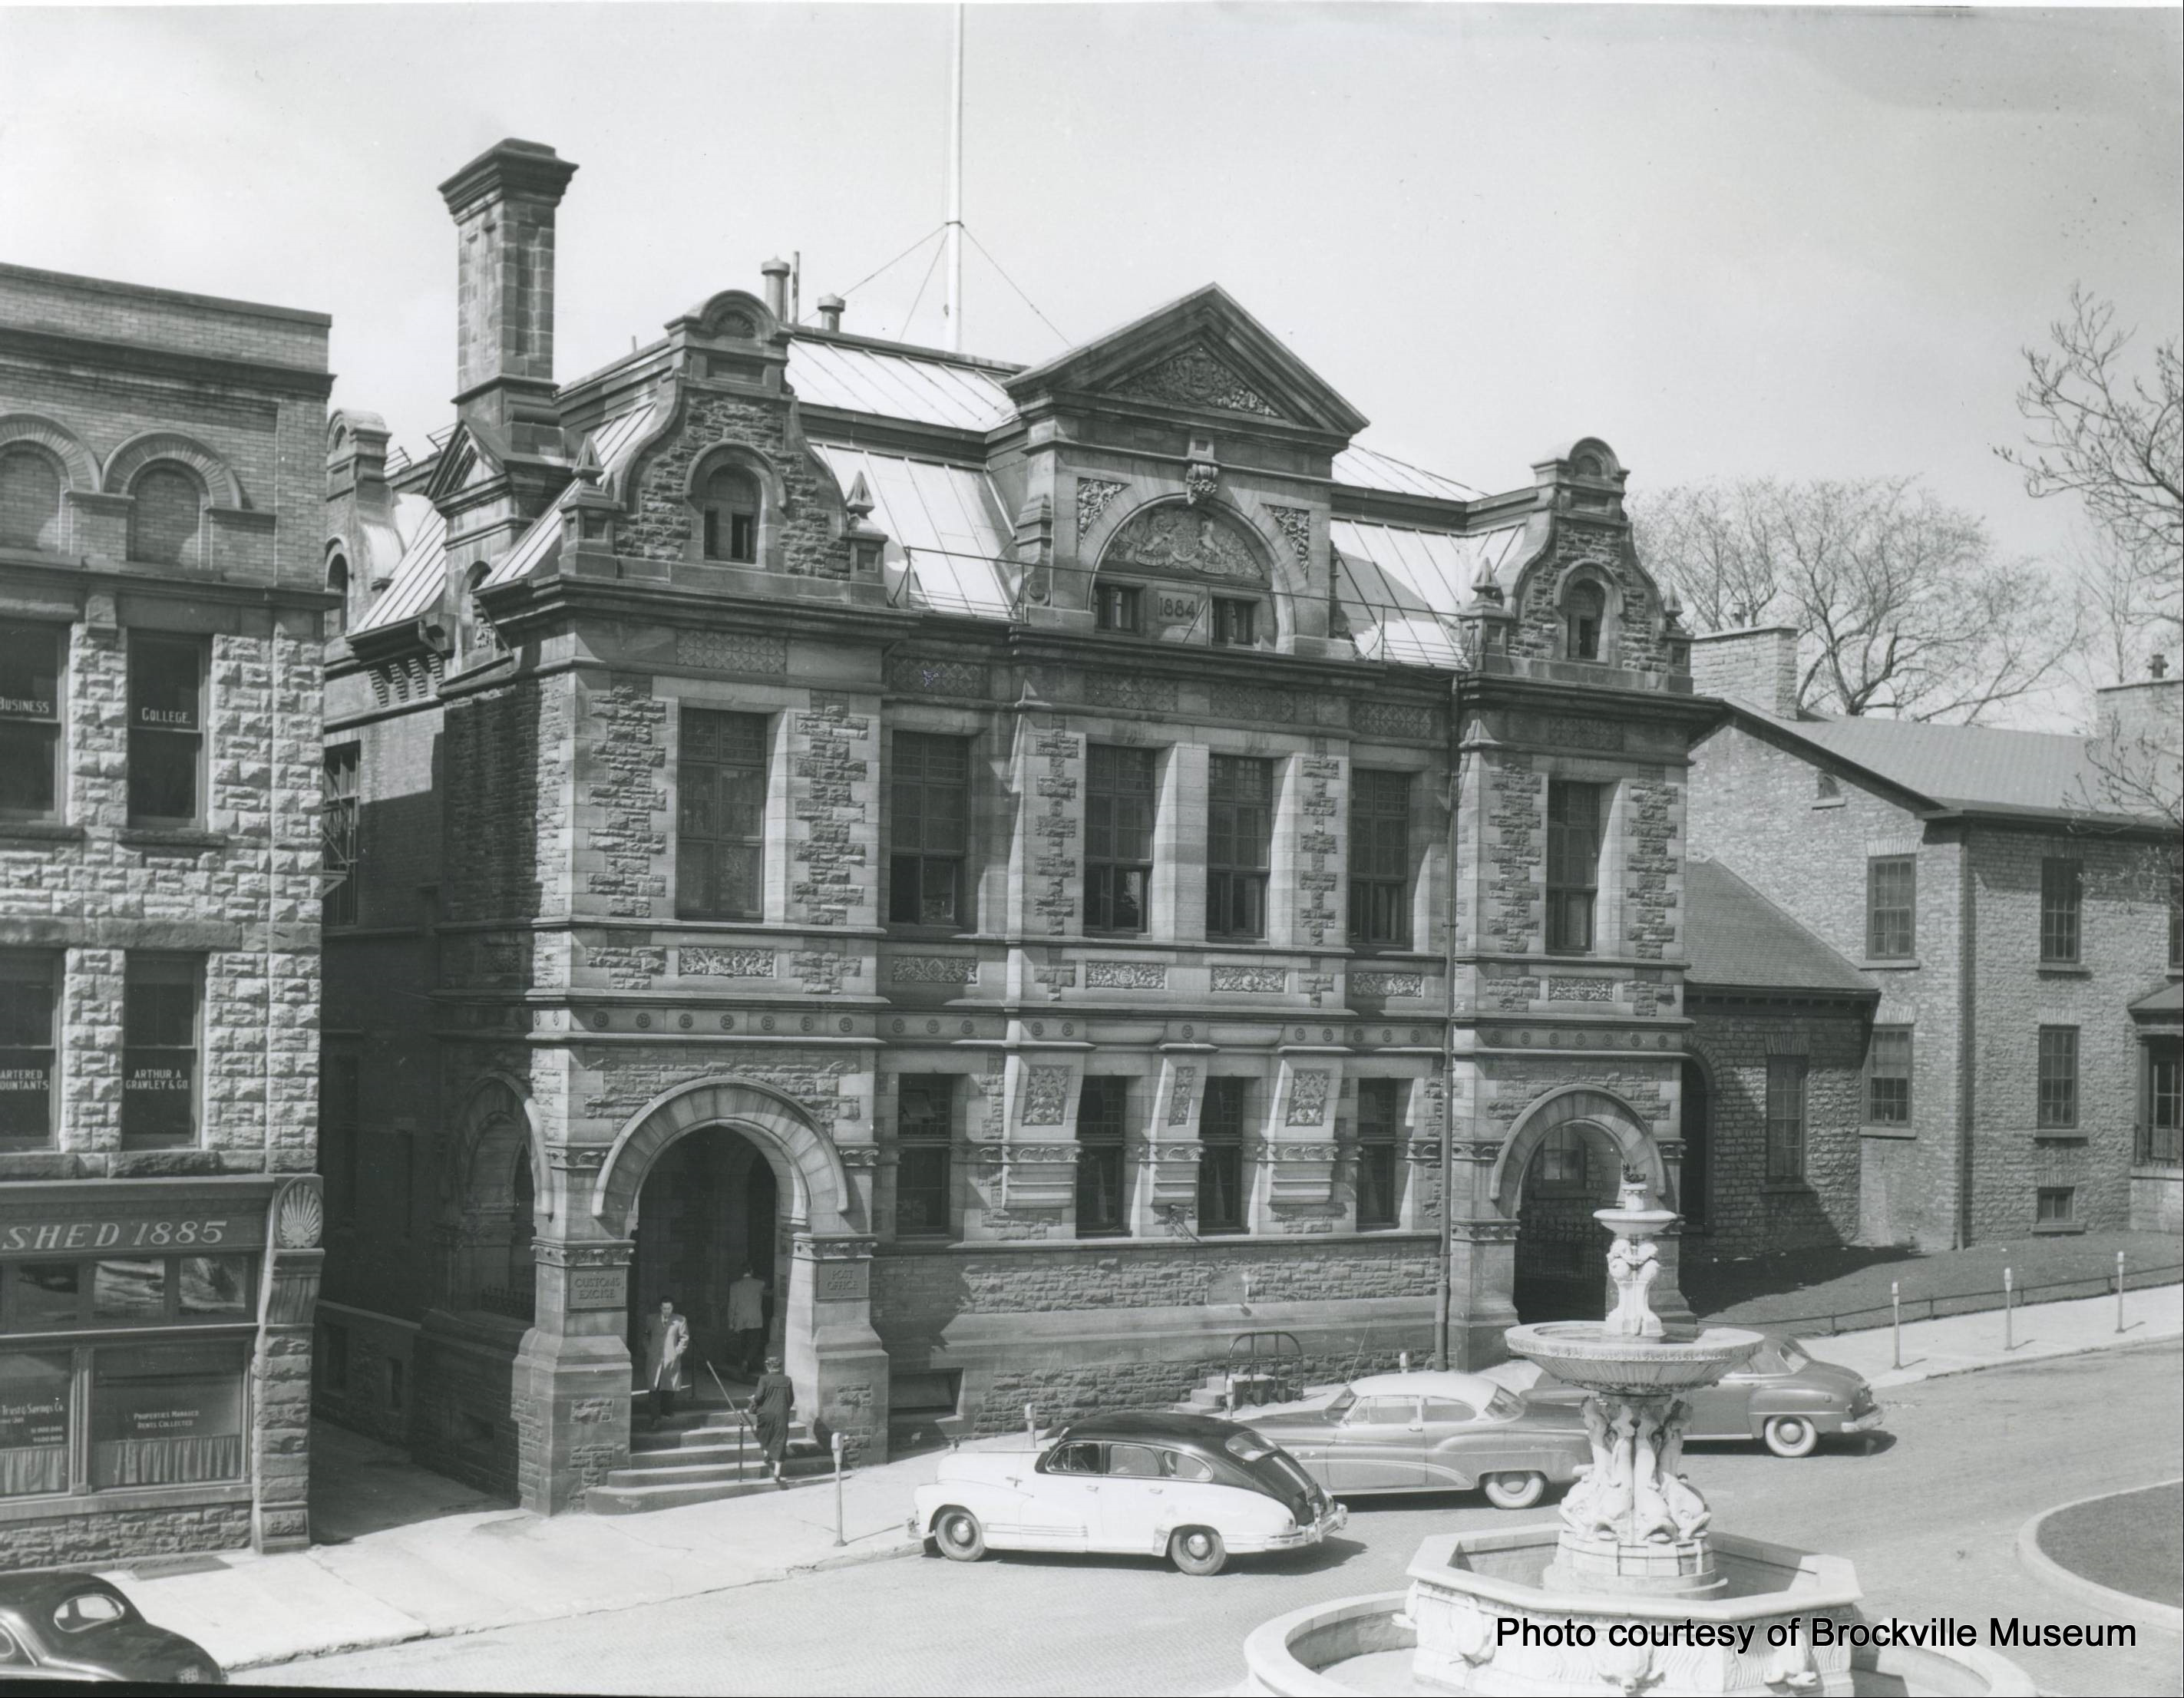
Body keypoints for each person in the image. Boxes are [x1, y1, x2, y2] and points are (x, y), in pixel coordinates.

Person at [643, 1298, 689, 1425]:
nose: (667, 1311)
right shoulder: (651, 1319)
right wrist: (649, 1349)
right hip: (655, 1359)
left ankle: (666, 1411)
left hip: (670, 1359)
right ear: (660, 1308)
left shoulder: (680, 1320)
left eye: (669, 1308)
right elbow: (646, 1335)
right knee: (654, 1388)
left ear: (672, 1308)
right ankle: (655, 1418)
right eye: (664, 1308)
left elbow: (684, 1338)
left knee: (668, 1388)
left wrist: (677, 1352)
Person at [750, 1355, 794, 1488]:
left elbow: (758, 1398)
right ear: (779, 1367)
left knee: (763, 1433)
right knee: (780, 1439)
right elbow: (791, 1399)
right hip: (781, 1414)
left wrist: (752, 1399)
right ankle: (777, 1472)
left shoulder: (764, 1379)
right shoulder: (787, 1380)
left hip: (766, 1413)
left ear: (768, 1367)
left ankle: (766, 1453)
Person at [726, 1264, 768, 1376]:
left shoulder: (735, 1286)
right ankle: (747, 1361)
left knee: (742, 1343)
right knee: (754, 1342)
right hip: (755, 1318)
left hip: (741, 1319)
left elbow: (732, 1305)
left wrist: (731, 1322)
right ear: (752, 1271)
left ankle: (743, 1363)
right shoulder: (760, 1284)